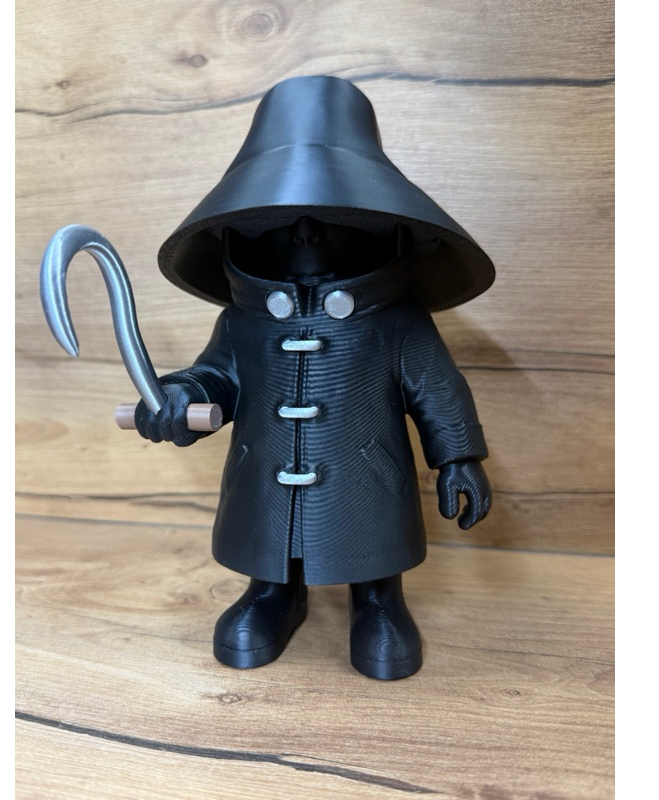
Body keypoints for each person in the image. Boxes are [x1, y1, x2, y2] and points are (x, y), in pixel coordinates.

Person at [135, 76, 494, 680]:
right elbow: (217, 375)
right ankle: (273, 592)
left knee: (369, 528)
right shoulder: (241, 321)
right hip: (263, 466)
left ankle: (378, 597)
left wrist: (459, 457)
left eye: (332, 218)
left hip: (367, 467)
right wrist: (179, 396)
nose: (305, 235)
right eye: (278, 222)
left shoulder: (398, 321)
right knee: (270, 528)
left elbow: (438, 389)